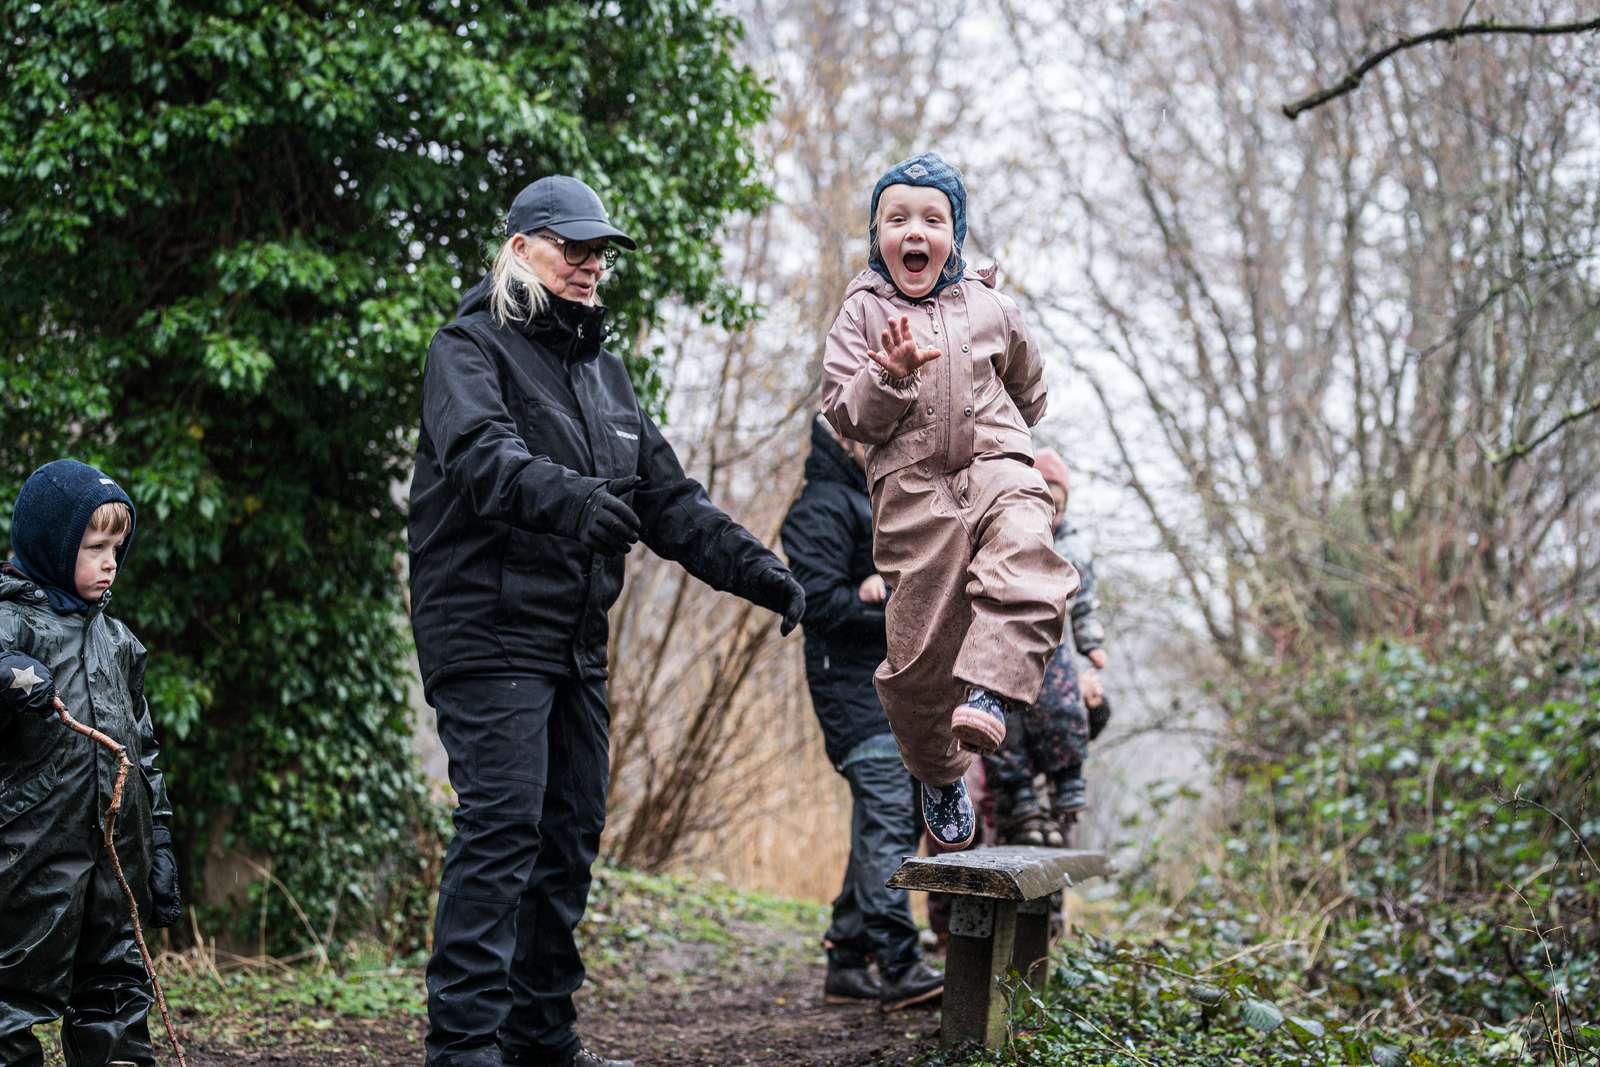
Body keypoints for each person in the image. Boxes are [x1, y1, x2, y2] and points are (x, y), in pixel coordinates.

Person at [408, 174, 807, 1067]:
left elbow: (670, 503)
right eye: (572, 247)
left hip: (572, 641)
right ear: (521, 250)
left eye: (600, 253)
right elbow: (483, 459)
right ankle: (463, 1047)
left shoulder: (605, 376)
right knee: (504, 826)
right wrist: (575, 501)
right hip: (485, 627)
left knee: (570, 832)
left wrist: (765, 573)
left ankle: (541, 1041)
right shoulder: (466, 349)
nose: (591, 265)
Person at [820, 151, 1079, 852]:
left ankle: (990, 693)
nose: (915, 231)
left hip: (997, 463)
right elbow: (844, 412)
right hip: (912, 493)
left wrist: (1013, 437)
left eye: (932, 218)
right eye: (896, 218)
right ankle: (939, 772)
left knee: (1033, 558)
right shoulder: (862, 312)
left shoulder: (990, 305)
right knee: (917, 653)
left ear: (954, 235)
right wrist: (889, 373)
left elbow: (1030, 382)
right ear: (877, 237)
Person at [0, 459, 183, 1067]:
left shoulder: (120, 642)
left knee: (116, 1002)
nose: (110, 561)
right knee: (7, 1004)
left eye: (117, 546)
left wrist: (156, 842)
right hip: (27, 864)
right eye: (93, 545)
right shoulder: (10, 627)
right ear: (51, 544)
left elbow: (144, 752)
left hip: (115, 867)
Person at [780, 414, 945, 1013]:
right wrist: (888, 608)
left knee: (889, 821)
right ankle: (899, 964)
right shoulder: (819, 507)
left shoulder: (876, 502)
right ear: (842, 438)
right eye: (868, 431)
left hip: (888, 695)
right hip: (850, 696)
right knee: (888, 819)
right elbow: (815, 603)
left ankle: (847, 958)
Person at [983, 449, 1115, 846]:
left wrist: (1090, 643)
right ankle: (1019, 791)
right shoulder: (1012, 535)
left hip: (1051, 648)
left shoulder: (1075, 548)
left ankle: (1067, 776)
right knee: (1008, 723)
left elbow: (1086, 602)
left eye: (1059, 507)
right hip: (1006, 644)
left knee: (1064, 707)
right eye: (1046, 504)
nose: (1052, 514)